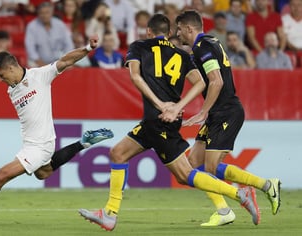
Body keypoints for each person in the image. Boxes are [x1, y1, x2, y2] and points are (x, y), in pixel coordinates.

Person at [79, 14, 260, 231]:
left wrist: (160, 104)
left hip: (160, 121)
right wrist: (177, 105)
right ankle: (109, 213)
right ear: (169, 32)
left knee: (185, 175)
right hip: (160, 120)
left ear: (148, 31)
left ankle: (239, 194)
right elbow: (201, 83)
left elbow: (135, 77)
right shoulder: (183, 55)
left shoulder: (139, 46)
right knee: (118, 153)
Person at [0, 35, 114, 224]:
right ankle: (84, 142)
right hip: (31, 144)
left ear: (11, 67)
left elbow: (65, 60)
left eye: (1, 75)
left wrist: (88, 47)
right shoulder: (12, 90)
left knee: (1, 175)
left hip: (40, 145)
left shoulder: (40, 76)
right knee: (43, 173)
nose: (0, 80)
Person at [174, 10, 281, 227]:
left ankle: (229, 207)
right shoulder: (211, 41)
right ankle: (265, 186)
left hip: (226, 112)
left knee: (209, 169)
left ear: (189, 28)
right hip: (218, 113)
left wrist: (203, 111)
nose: (177, 33)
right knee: (192, 165)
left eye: (179, 29)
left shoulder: (202, 47)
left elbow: (216, 81)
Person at [25, 1, 74, 67]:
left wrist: (64, 60)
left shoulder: (60, 24)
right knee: (31, 62)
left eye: (47, 13)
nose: (44, 15)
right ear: (38, 14)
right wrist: (40, 63)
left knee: (72, 64)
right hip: (38, 61)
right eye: (41, 13)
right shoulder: (32, 26)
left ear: (52, 13)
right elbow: (30, 48)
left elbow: (69, 44)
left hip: (59, 60)